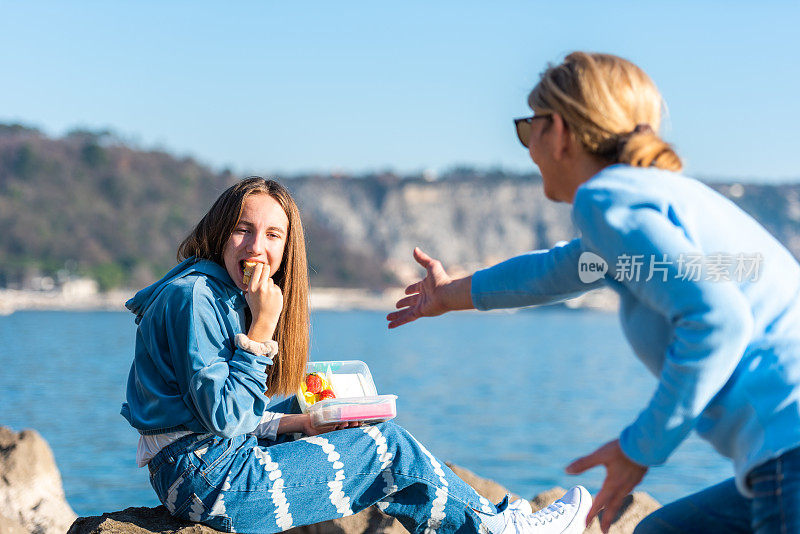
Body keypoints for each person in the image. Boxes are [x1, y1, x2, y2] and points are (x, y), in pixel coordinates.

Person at [387, 51, 800, 534]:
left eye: (528, 129)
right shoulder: (655, 197)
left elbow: (718, 318)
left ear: (559, 131)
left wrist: (638, 448)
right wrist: (448, 295)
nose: (528, 148)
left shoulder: (606, 197)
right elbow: (555, 272)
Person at [121, 176, 592, 534]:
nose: (257, 248)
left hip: (204, 463)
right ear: (221, 232)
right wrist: (262, 329)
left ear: (289, 248)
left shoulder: (216, 290)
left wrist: (302, 423)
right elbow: (223, 417)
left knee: (313, 401)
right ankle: (495, 528)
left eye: (273, 236)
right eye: (244, 230)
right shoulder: (195, 298)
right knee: (388, 449)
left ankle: (485, 518)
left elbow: (219, 411)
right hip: (207, 481)